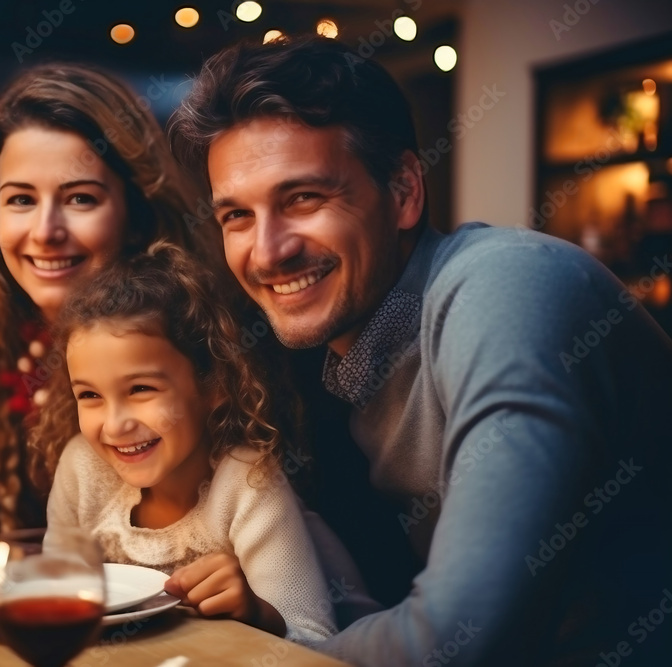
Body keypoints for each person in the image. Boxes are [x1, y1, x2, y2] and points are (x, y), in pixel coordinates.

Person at [168, 36, 672, 666]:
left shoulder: (509, 285)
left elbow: (461, 635)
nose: (267, 252)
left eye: (303, 198)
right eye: (236, 215)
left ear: (404, 191)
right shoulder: (342, 356)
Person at [0, 63, 210, 534]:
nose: (46, 232)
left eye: (80, 199)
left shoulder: (186, 310)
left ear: (134, 208)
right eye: (21, 200)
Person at [31, 241, 366, 645]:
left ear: (214, 385)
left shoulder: (248, 483)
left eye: (140, 388)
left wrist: (258, 612)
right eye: (89, 395)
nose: (115, 425)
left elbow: (317, 641)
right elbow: (61, 605)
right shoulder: (83, 470)